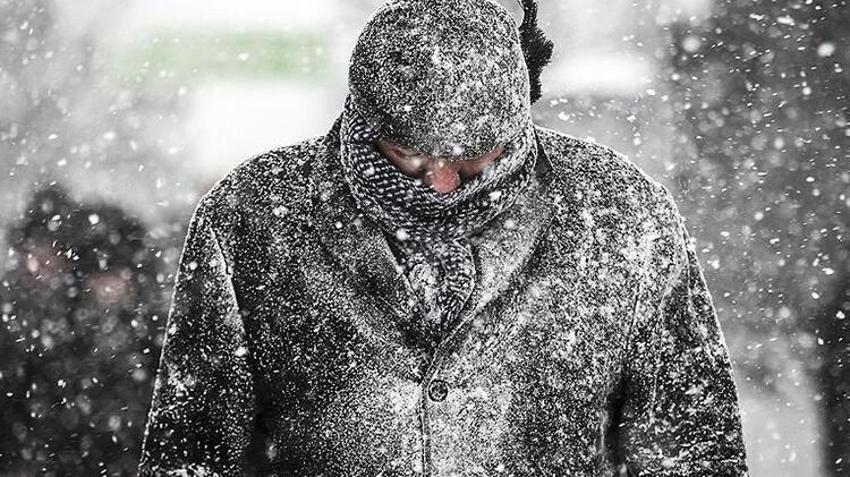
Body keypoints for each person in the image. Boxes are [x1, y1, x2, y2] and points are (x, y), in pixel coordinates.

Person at [138, 0, 750, 475]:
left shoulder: (621, 216)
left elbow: (693, 444)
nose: (441, 183)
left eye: (475, 158)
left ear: (520, 120)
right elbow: (193, 449)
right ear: (363, 120)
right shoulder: (254, 215)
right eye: (407, 154)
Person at [0, 185, 163, 476]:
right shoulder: (59, 329)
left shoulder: (154, 329)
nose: (107, 286)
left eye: (116, 272)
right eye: (98, 274)